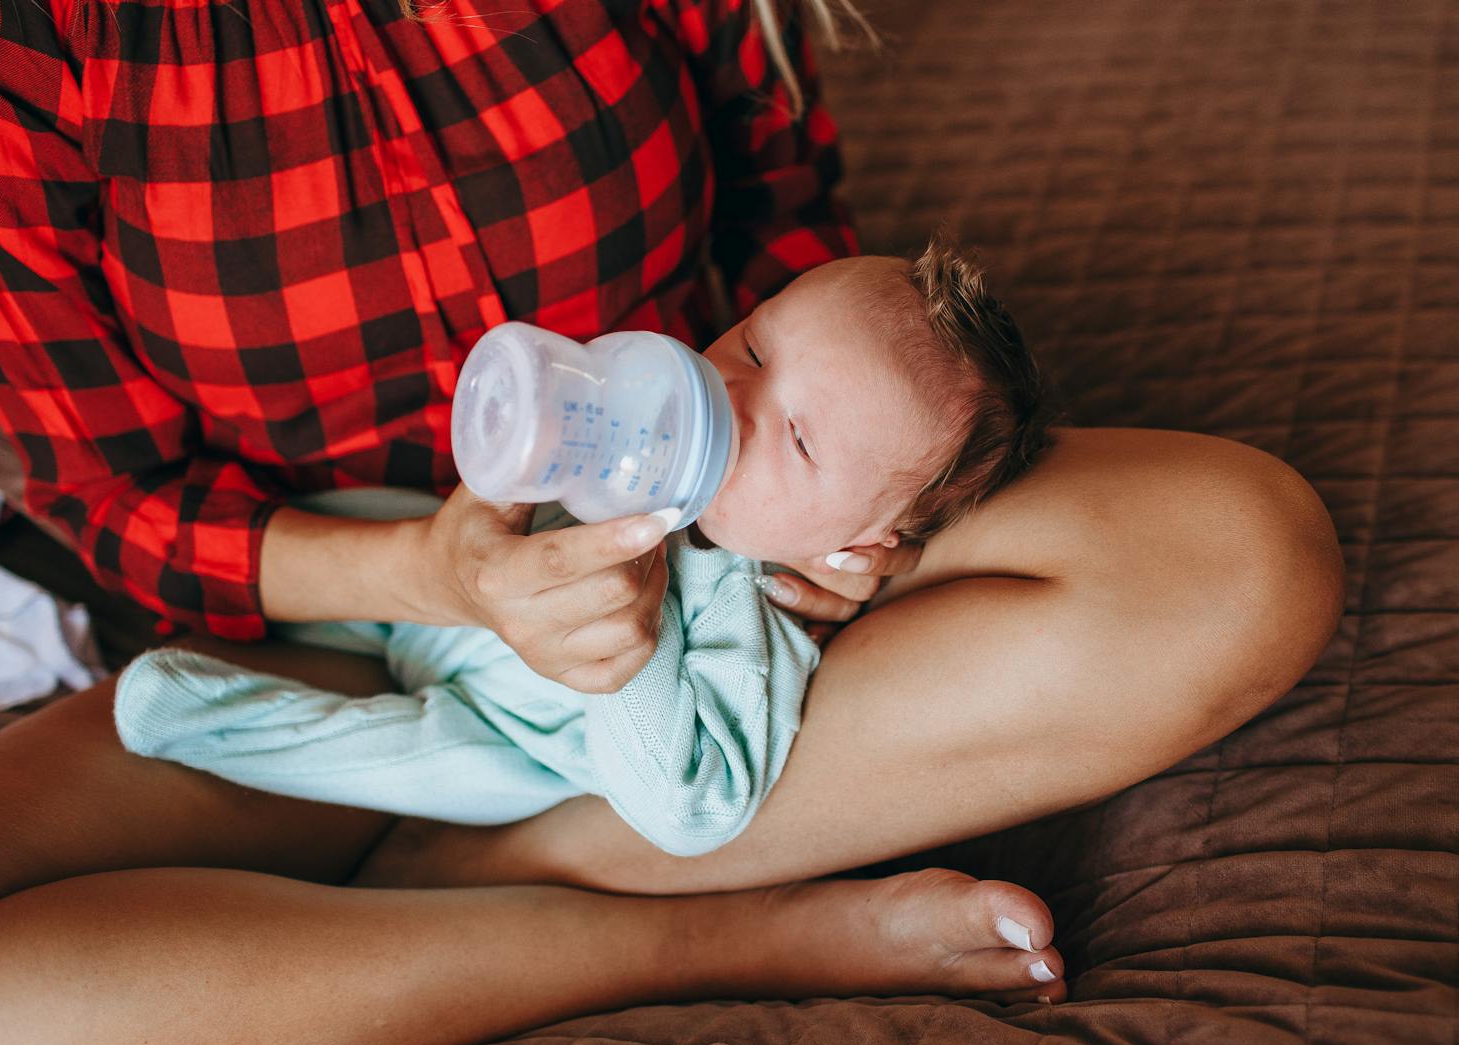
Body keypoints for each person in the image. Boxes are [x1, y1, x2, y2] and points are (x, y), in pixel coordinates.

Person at [0, 0, 1346, 1045]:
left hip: (721, 544)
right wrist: (443, 571)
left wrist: (825, 518)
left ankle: (490, 868)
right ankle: (713, 929)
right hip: (342, 612)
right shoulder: (10, 34)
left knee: (1241, 553)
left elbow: (789, 232)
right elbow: (117, 498)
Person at [110, 246, 1043, 859]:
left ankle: (203, 717)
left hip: (512, 733)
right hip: (441, 586)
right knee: (353, 514)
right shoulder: (637, 426)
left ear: (857, 545)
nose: (729, 393)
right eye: (755, 344)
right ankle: (238, 603)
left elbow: (690, 810)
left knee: (411, 763)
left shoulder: (760, 621)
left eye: (796, 440)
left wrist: (631, 658)